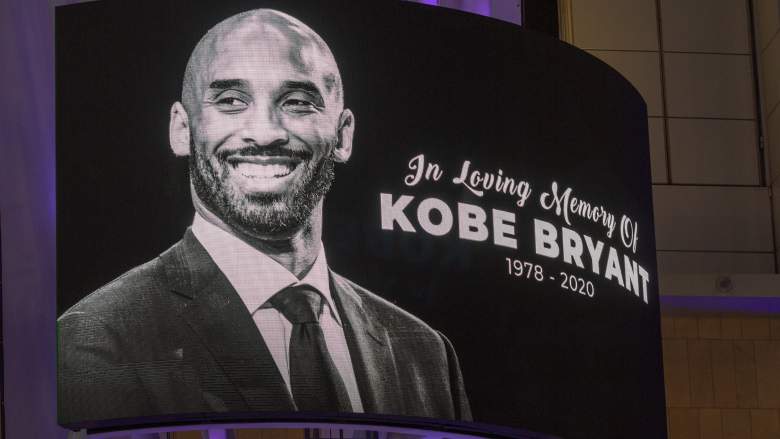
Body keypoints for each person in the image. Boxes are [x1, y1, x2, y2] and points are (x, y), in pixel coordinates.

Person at [58, 8, 471, 425]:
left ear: (343, 135)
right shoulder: (97, 339)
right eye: (231, 101)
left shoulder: (426, 353)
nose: (265, 132)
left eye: (297, 102)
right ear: (182, 129)